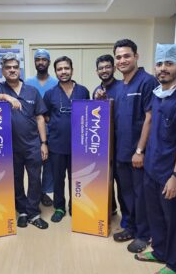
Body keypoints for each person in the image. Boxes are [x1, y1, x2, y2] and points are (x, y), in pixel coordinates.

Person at [133, 44, 176, 274]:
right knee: (155, 215)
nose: (163, 68)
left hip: (170, 171)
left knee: (174, 219)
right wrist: (140, 152)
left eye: (169, 64)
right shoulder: (156, 94)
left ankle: (174, 263)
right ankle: (159, 251)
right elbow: (150, 124)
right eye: (159, 64)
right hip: (151, 167)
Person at [95, 39, 158, 253]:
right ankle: (130, 227)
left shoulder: (147, 82)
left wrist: (140, 150)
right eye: (119, 57)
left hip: (137, 153)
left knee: (140, 195)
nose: (122, 60)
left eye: (126, 56)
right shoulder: (121, 86)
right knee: (125, 193)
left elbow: (150, 118)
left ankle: (144, 234)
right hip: (121, 151)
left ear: (136, 56)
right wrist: (103, 100)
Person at [0, 52, 50, 229]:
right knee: (16, 180)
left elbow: (40, 118)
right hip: (9, 147)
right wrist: (5, 97)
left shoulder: (32, 91)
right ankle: (22, 211)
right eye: (8, 67)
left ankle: (33, 212)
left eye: (15, 67)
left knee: (35, 179)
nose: (12, 70)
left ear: (19, 70)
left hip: (32, 145)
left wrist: (43, 143)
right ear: (2, 71)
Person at [43, 56, 90, 222]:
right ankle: (60, 207)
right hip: (57, 144)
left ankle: (75, 205)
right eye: (59, 69)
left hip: (79, 145)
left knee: (76, 178)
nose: (63, 72)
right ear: (55, 72)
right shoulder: (50, 94)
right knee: (58, 178)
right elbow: (45, 115)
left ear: (72, 70)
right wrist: (58, 123)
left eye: (66, 68)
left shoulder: (83, 91)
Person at [93, 54, 126, 224]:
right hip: (102, 144)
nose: (104, 70)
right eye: (101, 68)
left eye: (107, 67)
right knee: (104, 180)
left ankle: (126, 218)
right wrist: (98, 101)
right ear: (97, 71)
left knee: (122, 183)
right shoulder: (97, 91)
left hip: (120, 144)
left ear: (114, 68)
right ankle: (110, 208)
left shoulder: (122, 87)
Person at [25, 49, 58, 207]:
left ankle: (44, 192)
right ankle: (35, 193)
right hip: (32, 131)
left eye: (44, 59)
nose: (40, 62)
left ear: (49, 62)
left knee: (49, 164)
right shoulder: (27, 82)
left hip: (52, 129)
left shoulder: (56, 82)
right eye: (37, 59)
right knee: (34, 165)